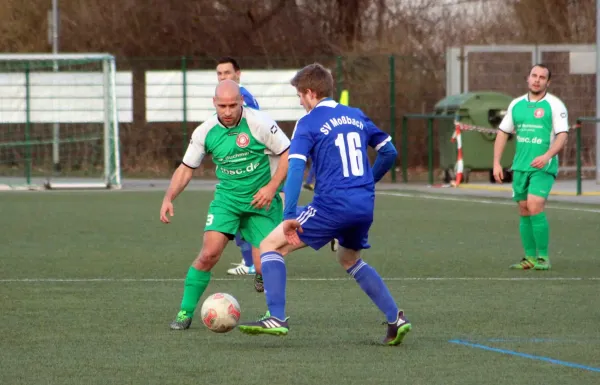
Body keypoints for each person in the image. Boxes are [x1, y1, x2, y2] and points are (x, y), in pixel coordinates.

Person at [237, 63, 411, 346]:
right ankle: (395, 319)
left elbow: (295, 169)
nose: (299, 102)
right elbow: (389, 152)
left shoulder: (308, 122)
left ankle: (276, 317)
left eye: (299, 96)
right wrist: (367, 182)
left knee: (270, 245)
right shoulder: (356, 115)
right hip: (364, 205)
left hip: (332, 205)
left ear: (309, 93)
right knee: (349, 258)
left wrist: (289, 215)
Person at [161, 79, 290, 330]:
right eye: (223, 106)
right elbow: (186, 168)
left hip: (260, 201)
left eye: (233, 105)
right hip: (227, 201)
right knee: (208, 254)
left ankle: (272, 313)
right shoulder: (205, 131)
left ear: (242, 101)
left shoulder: (260, 123)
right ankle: (184, 313)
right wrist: (168, 197)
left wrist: (272, 187)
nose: (228, 111)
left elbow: (287, 154)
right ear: (214, 104)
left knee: (268, 260)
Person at [493, 64, 569, 271]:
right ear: (528, 78)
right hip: (520, 166)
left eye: (542, 77)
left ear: (548, 82)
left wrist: (547, 156)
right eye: (534, 76)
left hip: (543, 166)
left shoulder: (554, 105)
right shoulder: (516, 105)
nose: (537, 80)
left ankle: (543, 257)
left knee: (535, 205)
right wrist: (496, 163)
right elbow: (502, 133)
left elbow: (562, 135)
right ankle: (529, 258)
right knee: (524, 209)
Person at [216, 56, 260, 277]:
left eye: (227, 73)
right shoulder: (230, 98)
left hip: (250, 167)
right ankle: (249, 260)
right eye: (220, 74)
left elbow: (250, 131)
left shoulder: (243, 98)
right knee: (244, 216)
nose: (223, 77)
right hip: (240, 167)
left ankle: (252, 262)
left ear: (238, 74)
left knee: (245, 215)